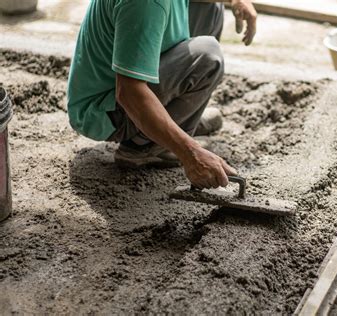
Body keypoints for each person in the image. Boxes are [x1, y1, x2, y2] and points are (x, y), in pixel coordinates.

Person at [67, 0, 257, 190]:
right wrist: (190, 153)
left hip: (126, 85)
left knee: (211, 7)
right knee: (207, 56)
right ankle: (142, 144)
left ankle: (176, 121)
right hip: (106, 110)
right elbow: (128, 92)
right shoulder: (147, 4)